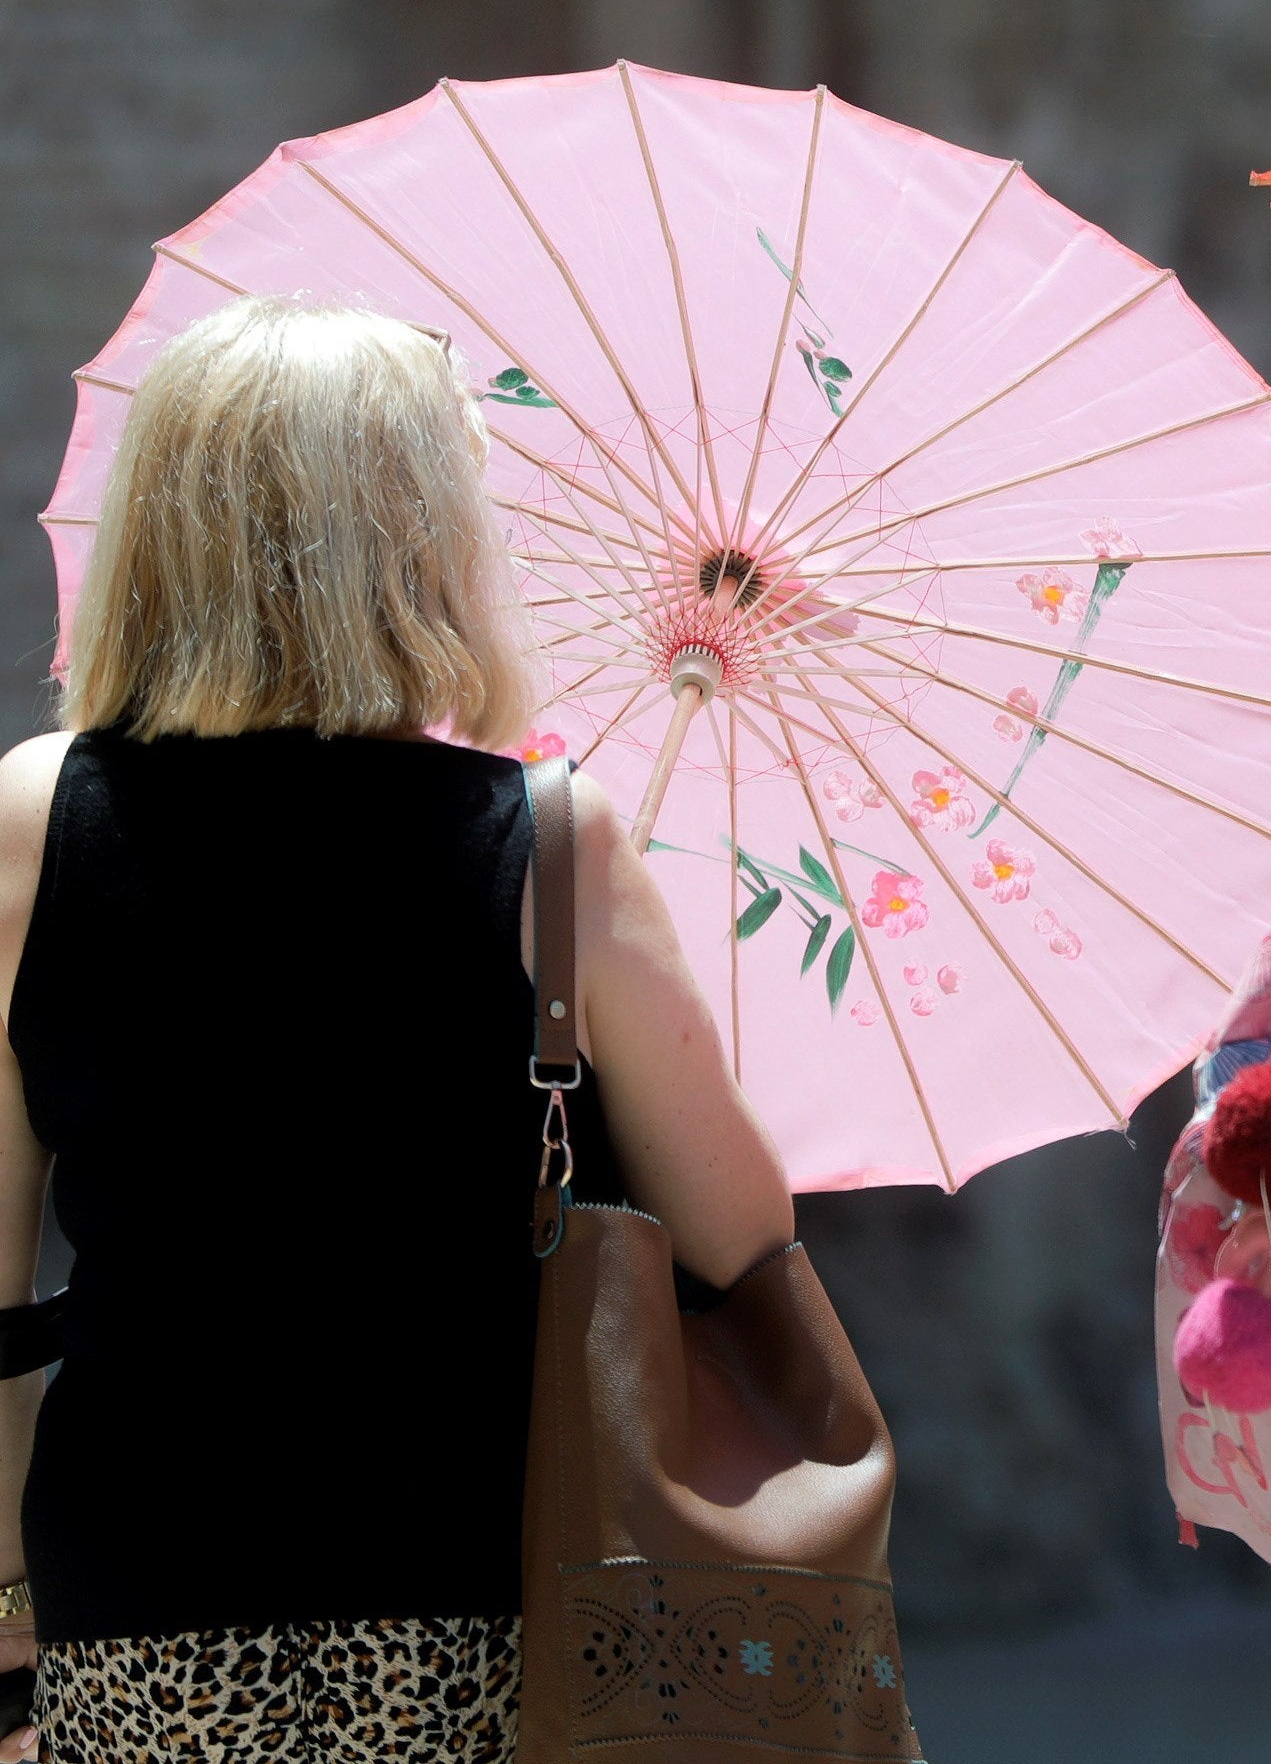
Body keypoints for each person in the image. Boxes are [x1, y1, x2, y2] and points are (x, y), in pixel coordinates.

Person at [0, 296, 799, 1761]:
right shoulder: (554, 842)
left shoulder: (31, 822)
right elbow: (740, 1235)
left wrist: (5, 1621)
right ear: (421, 541)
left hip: (141, 1608)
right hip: (493, 1604)